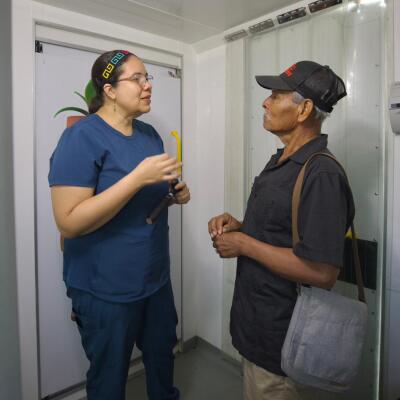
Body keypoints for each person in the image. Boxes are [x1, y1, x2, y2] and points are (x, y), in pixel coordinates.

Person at [208, 61, 355, 400]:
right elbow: (283, 231)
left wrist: (244, 244)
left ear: (304, 109)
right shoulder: (280, 161)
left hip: (282, 341)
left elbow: (322, 272)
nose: (265, 102)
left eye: (275, 96)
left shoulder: (322, 174)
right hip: (256, 327)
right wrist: (241, 227)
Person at [49, 50, 189, 400]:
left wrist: (174, 193)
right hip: (105, 288)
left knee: (162, 358)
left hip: (154, 279)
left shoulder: (149, 135)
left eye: (147, 77)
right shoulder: (81, 138)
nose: (147, 86)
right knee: (109, 379)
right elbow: (69, 222)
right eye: (137, 79)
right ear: (109, 90)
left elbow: (148, 195)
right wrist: (137, 178)